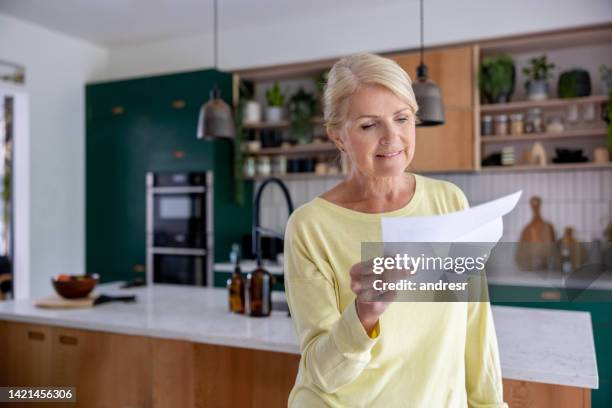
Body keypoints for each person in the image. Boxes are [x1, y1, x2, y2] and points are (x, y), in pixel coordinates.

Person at [283, 53, 507, 407]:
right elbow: (322, 375)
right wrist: (364, 313)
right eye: (369, 125)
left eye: (402, 118)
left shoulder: (449, 202)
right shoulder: (310, 227)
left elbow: (476, 327)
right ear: (338, 137)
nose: (392, 138)